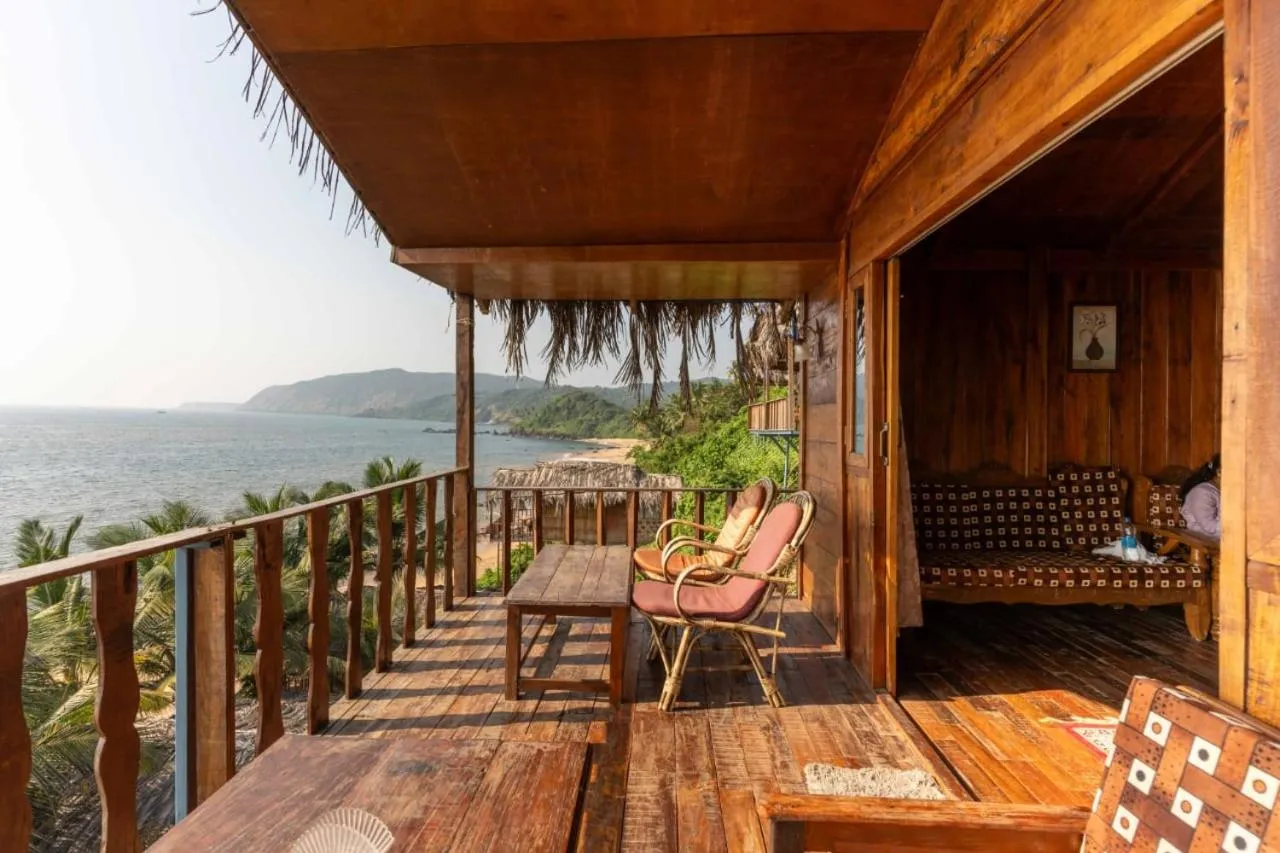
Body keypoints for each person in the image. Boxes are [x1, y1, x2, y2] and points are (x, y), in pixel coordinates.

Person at [1180, 454, 1221, 540]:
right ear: (1219, 472)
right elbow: (1210, 527)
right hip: (1205, 544)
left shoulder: (1226, 491)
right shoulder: (1203, 492)